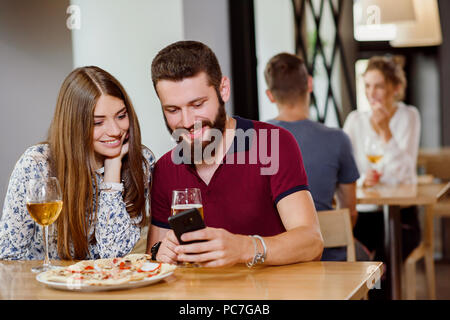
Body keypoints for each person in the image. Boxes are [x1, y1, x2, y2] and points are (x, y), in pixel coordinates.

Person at [146, 41, 323, 267]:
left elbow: (311, 242)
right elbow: (156, 254)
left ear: (223, 90)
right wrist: (160, 252)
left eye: (198, 104)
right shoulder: (165, 169)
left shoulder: (272, 144)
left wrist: (244, 248)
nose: (187, 122)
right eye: (173, 110)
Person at [0, 66, 155, 260]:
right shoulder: (36, 165)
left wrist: (113, 167)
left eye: (121, 116)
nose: (115, 130)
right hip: (47, 285)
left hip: (108, 285)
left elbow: (114, 254)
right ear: (74, 126)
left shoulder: (140, 163)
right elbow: (9, 256)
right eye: (98, 123)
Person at [264, 52, 364, 261]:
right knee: (372, 265)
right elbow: (350, 214)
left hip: (275, 261)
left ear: (270, 95)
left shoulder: (256, 140)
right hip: (330, 256)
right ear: (309, 84)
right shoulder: (338, 139)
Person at [343, 55, 421, 262]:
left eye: (378, 86)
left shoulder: (409, 116)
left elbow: (404, 175)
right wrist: (361, 180)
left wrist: (386, 130)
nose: (371, 93)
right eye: (367, 86)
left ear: (395, 88)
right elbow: (343, 169)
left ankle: (381, 290)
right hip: (365, 215)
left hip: (400, 214)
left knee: (386, 263)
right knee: (356, 257)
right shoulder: (355, 121)